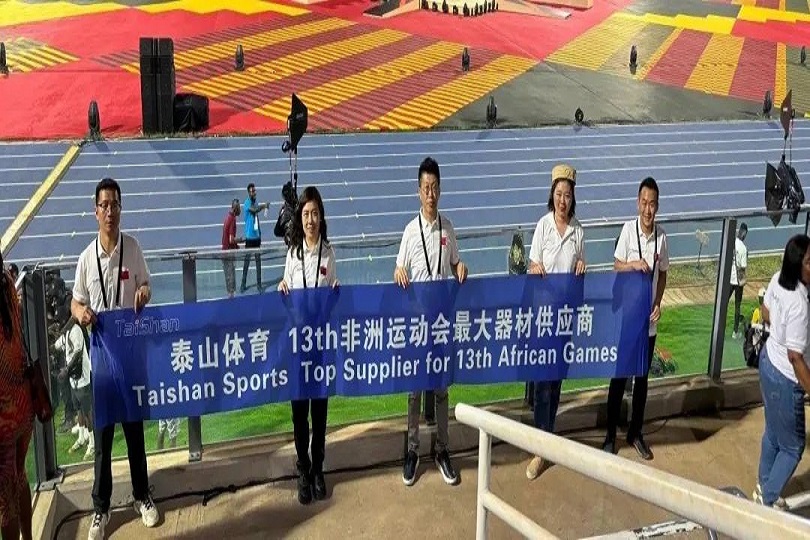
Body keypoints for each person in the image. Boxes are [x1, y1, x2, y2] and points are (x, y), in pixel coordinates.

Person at [70, 177, 159, 539]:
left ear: (121, 209)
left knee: (135, 431)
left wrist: (143, 292)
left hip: (132, 359)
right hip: (103, 365)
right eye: (104, 205)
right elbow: (76, 301)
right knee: (104, 438)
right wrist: (80, 313)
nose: (110, 211)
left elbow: (147, 285)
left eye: (115, 205)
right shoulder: (86, 259)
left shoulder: (133, 248)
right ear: (96, 212)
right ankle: (100, 508)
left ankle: (142, 496)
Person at [394, 157, 468, 487]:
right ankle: (412, 452)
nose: (430, 194)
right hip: (416, 326)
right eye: (426, 188)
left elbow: (455, 264)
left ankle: (441, 450)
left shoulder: (447, 228)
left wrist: (460, 267)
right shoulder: (410, 231)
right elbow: (399, 269)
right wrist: (399, 271)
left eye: (435, 187)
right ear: (418, 191)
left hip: (440, 324)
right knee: (414, 392)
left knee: (440, 390)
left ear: (440, 190)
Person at [278, 186, 338, 505]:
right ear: (300, 219)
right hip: (298, 348)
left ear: (321, 217)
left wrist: (336, 291)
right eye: (305, 214)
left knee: (320, 412)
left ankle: (318, 469)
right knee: (299, 414)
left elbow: (332, 297)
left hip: (321, 347)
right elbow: (287, 290)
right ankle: (302, 468)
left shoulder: (328, 254)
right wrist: (283, 286)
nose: (310, 220)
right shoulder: (293, 254)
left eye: (315, 213)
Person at [525, 163, 585, 480]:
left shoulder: (578, 232)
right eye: (559, 194)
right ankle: (540, 448)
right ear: (552, 196)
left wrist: (581, 269)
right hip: (542, 318)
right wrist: (534, 268)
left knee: (557, 381)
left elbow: (579, 268)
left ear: (573, 199)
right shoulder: (543, 226)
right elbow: (532, 264)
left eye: (568, 195)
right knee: (542, 385)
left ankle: (549, 438)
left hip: (564, 320)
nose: (563, 200)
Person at [603, 177, 669, 460]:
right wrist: (633, 264)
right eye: (644, 203)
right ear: (637, 203)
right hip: (626, 320)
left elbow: (662, 274)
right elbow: (617, 266)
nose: (647, 209)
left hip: (648, 323)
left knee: (642, 380)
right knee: (619, 378)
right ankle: (610, 436)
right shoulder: (628, 231)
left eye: (652, 204)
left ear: (657, 206)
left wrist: (658, 303)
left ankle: (635, 433)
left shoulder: (662, 238)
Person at [754, 234, 810, 509]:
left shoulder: (778, 279)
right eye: (809, 261)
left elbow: (765, 311)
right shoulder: (800, 305)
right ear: (798, 265)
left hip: (768, 364)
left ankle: (763, 486)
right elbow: (795, 357)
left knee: (774, 435)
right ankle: (768, 498)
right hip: (786, 380)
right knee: (793, 446)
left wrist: (780, 329)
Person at [0, 254, 34, 540]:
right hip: (23, 405)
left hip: (3, 419)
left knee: (4, 503)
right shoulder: (7, 282)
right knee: (20, 478)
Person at [55, 317, 94, 461]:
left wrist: (66, 370)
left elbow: (78, 353)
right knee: (79, 410)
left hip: (82, 377)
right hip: (73, 379)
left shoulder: (76, 330)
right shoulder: (66, 333)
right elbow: (57, 345)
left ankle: (92, 443)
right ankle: (82, 437)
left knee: (87, 411)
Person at [241, 183, 270, 293]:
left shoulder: (255, 202)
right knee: (246, 262)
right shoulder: (247, 203)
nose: (254, 192)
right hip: (250, 237)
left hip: (256, 237)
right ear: (249, 193)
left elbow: (256, 218)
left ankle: (259, 284)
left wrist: (260, 233)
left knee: (258, 262)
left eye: (255, 191)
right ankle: (243, 284)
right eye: (252, 191)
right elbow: (254, 210)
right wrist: (264, 206)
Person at [730, 223, 748, 338]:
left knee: (724, 304)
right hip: (737, 281)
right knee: (737, 306)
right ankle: (735, 332)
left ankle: (719, 325)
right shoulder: (743, 248)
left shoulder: (732, 243)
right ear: (744, 233)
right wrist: (743, 280)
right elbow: (742, 267)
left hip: (729, 279)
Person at [221, 199, 242, 298]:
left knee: (228, 276)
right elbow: (231, 239)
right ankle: (231, 297)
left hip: (225, 251)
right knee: (231, 277)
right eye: (239, 208)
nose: (240, 210)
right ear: (235, 208)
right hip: (228, 253)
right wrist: (240, 240)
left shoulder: (227, 217)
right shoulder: (232, 220)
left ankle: (230, 295)